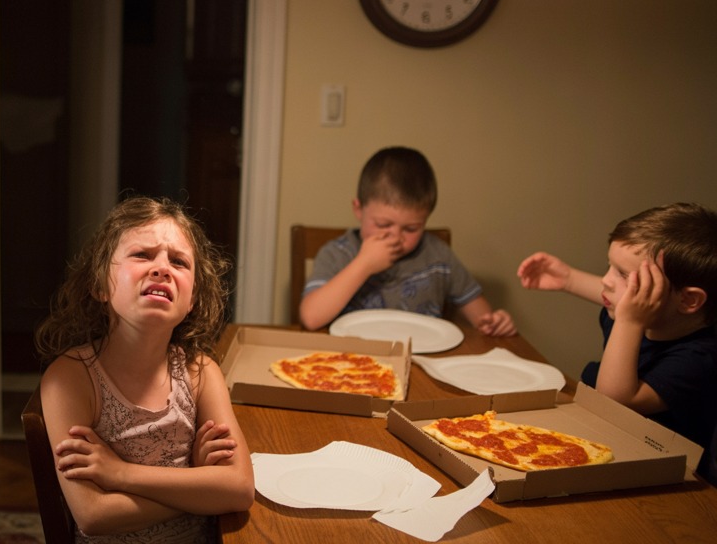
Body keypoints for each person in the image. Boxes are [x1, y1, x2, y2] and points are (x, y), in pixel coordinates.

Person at [34, 196, 254, 543]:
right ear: (100, 284)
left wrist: (119, 473)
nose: (162, 268)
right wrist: (198, 483)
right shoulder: (71, 378)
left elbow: (239, 489)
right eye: (142, 255)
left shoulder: (200, 373)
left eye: (179, 262)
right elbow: (93, 515)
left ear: (193, 297)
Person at [517, 202, 717, 480]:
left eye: (623, 274)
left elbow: (613, 402)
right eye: (610, 266)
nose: (607, 281)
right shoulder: (642, 315)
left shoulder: (699, 358)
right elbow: (606, 291)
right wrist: (569, 279)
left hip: (668, 478)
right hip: (614, 446)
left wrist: (629, 322)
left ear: (688, 300)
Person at [299, 146, 516, 336]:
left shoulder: (438, 256)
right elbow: (311, 317)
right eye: (383, 224)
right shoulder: (337, 254)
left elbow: (481, 315)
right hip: (351, 366)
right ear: (358, 209)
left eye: (411, 228)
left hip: (423, 363)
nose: (396, 237)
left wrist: (494, 323)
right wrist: (364, 264)